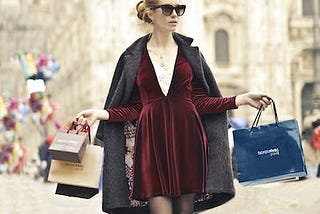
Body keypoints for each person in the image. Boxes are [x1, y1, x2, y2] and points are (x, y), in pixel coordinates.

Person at [74, 0, 271, 213]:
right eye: (167, 9)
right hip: (150, 144)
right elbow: (134, 107)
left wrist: (240, 99)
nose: (175, 14)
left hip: (188, 139)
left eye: (179, 9)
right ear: (150, 13)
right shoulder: (133, 57)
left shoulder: (190, 54)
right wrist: (100, 114)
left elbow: (200, 102)